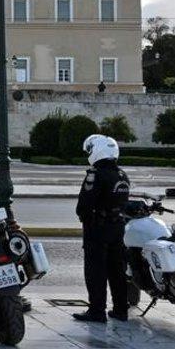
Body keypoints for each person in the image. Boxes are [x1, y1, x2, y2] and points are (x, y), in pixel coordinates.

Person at [74, 134, 131, 323]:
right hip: (118, 227)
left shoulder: (95, 174)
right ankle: (121, 309)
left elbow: (83, 205)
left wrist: (85, 217)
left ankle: (97, 311)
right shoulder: (122, 174)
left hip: (97, 229)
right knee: (117, 270)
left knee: (95, 271)